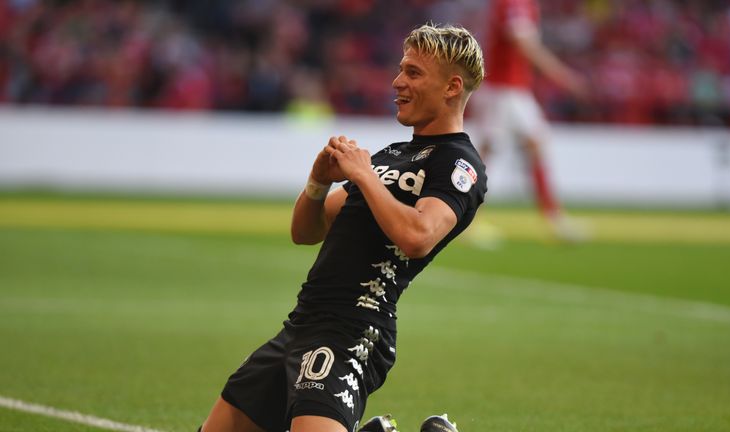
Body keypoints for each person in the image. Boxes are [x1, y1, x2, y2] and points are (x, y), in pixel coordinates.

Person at [199, 23, 487, 432]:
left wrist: (365, 176)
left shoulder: (460, 165)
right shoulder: (394, 154)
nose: (397, 81)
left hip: (351, 332)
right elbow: (306, 230)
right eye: (401, 69)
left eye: (414, 73)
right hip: (300, 326)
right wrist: (319, 181)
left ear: (452, 86)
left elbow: (418, 237)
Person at [470, 0, 589, 242]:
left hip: (510, 89)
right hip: (503, 90)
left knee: (526, 147)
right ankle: (466, 219)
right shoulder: (514, 3)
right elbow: (524, 44)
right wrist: (563, 76)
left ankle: (553, 218)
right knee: (488, 153)